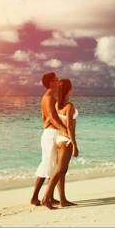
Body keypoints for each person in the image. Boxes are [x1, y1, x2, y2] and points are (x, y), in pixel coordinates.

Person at [30, 72, 67, 206]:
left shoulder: (50, 96)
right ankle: (34, 197)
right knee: (47, 164)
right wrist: (64, 128)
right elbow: (51, 117)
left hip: (50, 132)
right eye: (56, 80)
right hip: (51, 134)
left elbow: (44, 118)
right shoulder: (49, 97)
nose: (58, 81)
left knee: (52, 165)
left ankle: (50, 197)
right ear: (51, 83)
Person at [41, 78, 79, 209]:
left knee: (61, 171)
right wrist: (74, 144)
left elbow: (47, 120)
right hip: (66, 140)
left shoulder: (57, 104)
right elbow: (70, 127)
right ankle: (46, 198)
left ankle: (62, 199)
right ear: (70, 90)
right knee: (60, 170)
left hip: (58, 139)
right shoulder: (69, 106)